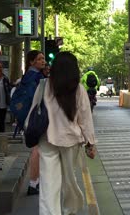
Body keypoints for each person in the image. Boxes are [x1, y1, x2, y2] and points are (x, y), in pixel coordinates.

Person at [38, 51, 96, 214]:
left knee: (48, 183)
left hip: (46, 138)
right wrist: (90, 143)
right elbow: (85, 119)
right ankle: (70, 209)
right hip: (70, 140)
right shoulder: (78, 89)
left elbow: (34, 111)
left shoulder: (44, 86)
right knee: (69, 181)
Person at [14, 50, 46, 195]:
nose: (43, 61)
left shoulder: (26, 76)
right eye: (39, 59)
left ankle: (36, 181)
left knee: (36, 149)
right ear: (31, 62)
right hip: (35, 117)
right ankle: (33, 184)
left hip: (27, 117)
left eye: (43, 58)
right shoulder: (36, 78)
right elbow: (38, 99)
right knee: (37, 150)